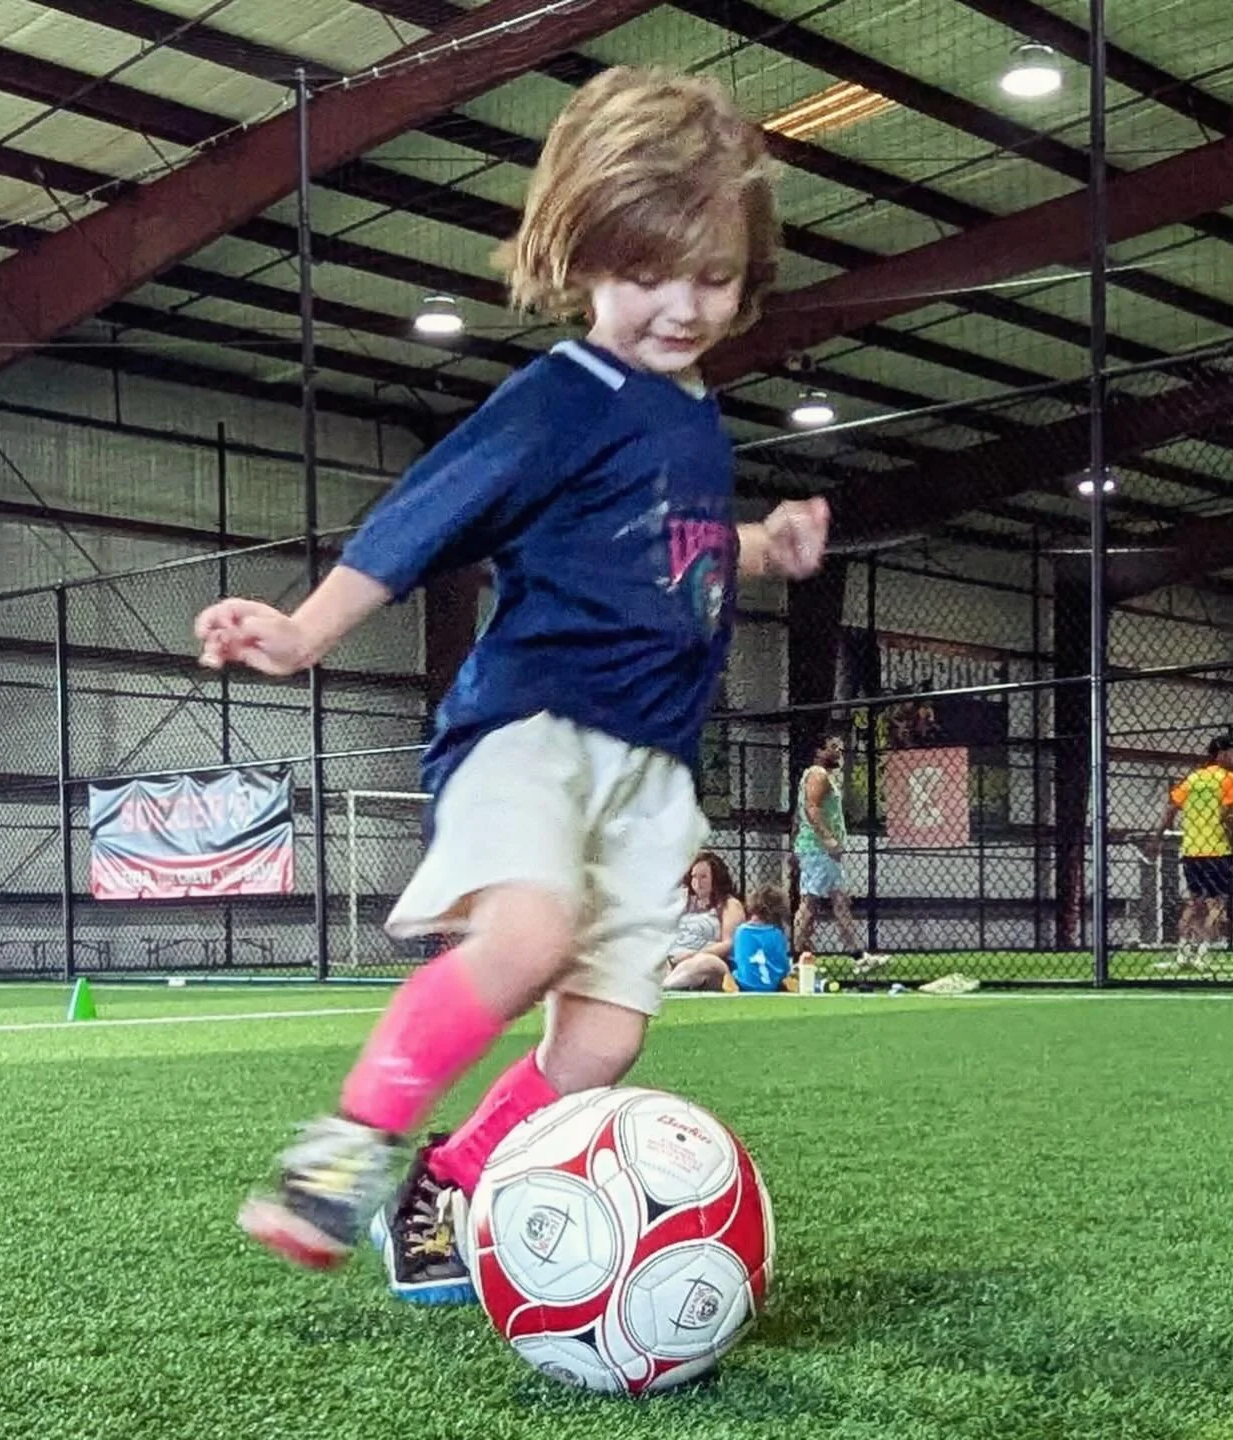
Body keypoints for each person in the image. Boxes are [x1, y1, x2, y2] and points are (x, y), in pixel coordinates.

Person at [193, 65, 831, 1286]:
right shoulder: (558, 399)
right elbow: (422, 517)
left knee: (602, 1043)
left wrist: (767, 549)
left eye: (714, 275)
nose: (683, 307)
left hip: (652, 775)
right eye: (649, 273)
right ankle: (343, 1156)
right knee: (528, 936)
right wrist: (306, 632)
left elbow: (679, 549)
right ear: (585, 253)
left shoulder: (694, 418)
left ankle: (451, 1182)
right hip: (533, 731)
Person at [1153, 732, 1233, 970]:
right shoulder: (1229, 778)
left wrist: (1157, 838)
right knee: (1217, 904)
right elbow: (1227, 816)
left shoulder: (1193, 778)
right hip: (1217, 848)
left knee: (1194, 903)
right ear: (1221, 754)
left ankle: (1182, 954)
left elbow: (1171, 808)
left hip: (1192, 849)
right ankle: (1202, 954)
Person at [792, 735, 869, 962]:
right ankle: (796, 955)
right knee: (810, 902)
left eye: (840, 747)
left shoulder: (820, 776)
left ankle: (857, 954)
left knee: (840, 900)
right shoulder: (818, 775)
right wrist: (828, 840)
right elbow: (811, 808)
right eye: (833, 747)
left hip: (818, 850)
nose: (838, 752)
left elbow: (803, 814)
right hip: (818, 850)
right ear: (819, 750)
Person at [663, 851, 744, 989]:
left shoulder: (729, 904)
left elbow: (729, 943)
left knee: (704, 963)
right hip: (672, 959)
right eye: (694, 877)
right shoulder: (685, 902)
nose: (697, 883)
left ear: (716, 878)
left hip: (706, 961)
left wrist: (693, 955)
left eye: (704, 877)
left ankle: (665, 986)